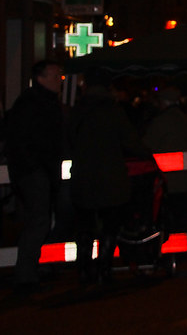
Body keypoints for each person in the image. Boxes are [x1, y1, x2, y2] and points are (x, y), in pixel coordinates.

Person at [68, 70, 154, 285]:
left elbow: (66, 141)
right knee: (110, 226)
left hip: (83, 177)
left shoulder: (76, 111)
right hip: (111, 178)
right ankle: (104, 269)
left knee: (85, 228)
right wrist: (149, 155)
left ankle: (84, 270)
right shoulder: (114, 111)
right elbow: (131, 141)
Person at [3, 60, 64, 293]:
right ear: (41, 78)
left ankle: (29, 271)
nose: (59, 79)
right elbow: (24, 141)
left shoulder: (37, 102)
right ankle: (26, 274)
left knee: (38, 221)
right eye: (55, 74)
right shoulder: (34, 104)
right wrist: (36, 169)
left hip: (35, 171)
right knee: (37, 221)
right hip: (35, 172)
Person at [142, 86, 187, 232]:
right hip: (183, 179)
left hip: (166, 181)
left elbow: (147, 145)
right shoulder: (185, 119)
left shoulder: (161, 121)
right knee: (182, 222)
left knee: (167, 223)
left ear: (163, 103)